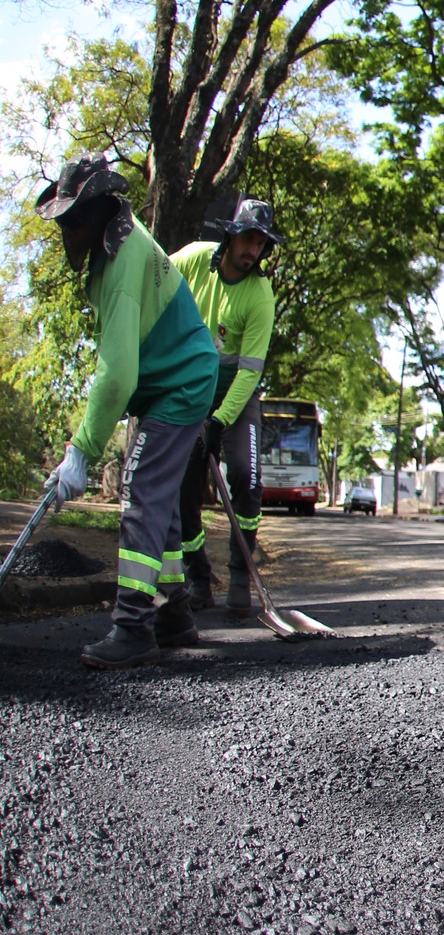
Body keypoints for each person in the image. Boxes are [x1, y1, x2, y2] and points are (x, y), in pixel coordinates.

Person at [35, 156, 218, 670]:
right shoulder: (117, 245)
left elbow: (117, 376)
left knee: (139, 490)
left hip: (179, 385)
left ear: (97, 213)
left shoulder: (121, 260)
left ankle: (134, 626)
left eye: (72, 221)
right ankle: (176, 611)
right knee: (157, 498)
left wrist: (81, 452)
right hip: (173, 383)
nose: (66, 233)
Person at [170, 198, 280, 620]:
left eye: (261, 243)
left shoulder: (260, 296)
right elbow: (154, 274)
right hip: (190, 388)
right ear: (231, 235)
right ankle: (198, 576)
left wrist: (219, 420)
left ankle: (239, 573)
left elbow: (250, 372)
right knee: (183, 489)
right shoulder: (196, 261)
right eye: (248, 238)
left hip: (237, 395)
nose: (253, 249)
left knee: (245, 476)